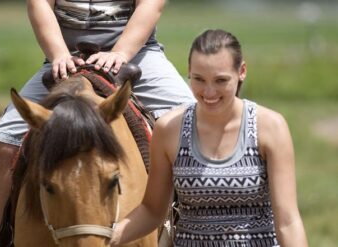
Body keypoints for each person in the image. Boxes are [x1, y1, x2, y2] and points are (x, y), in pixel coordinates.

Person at [0, 0, 195, 245]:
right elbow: (39, 3)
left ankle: (192, 232)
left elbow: (151, 5)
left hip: (138, 53)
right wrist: (59, 55)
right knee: (4, 141)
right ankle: (4, 238)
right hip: (66, 55)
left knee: (195, 126)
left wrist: (120, 52)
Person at [110, 29, 309, 247]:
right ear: (188, 72)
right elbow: (151, 211)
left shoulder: (270, 127)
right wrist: (100, 240)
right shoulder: (168, 129)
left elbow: (288, 222)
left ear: (242, 71)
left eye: (220, 80)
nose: (209, 92)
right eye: (199, 79)